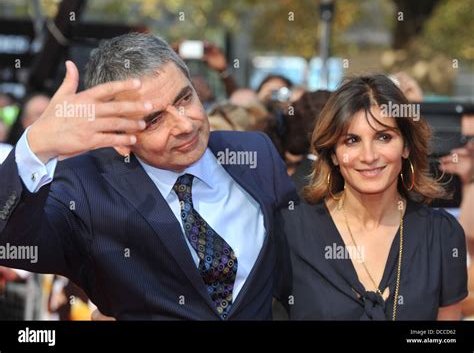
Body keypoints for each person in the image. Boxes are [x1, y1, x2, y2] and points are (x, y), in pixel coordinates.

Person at [0, 33, 297, 320]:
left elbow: (297, 270)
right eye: (154, 119)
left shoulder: (255, 153)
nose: (184, 124)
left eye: (184, 99)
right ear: (117, 134)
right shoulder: (86, 189)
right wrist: (34, 147)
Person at [275, 75, 468, 320]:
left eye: (384, 137)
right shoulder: (290, 230)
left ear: (406, 146)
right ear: (334, 153)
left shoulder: (441, 234)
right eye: (352, 140)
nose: (369, 156)